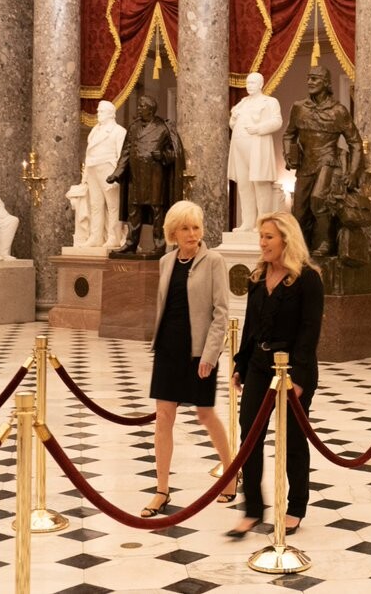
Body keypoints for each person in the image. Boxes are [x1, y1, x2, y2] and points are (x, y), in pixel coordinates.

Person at [226, 211, 324, 538]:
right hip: (258, 365)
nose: (262, 243)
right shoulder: (257, 277)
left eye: (268, 236)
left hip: (292, 368)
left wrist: (299, 377)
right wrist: (240, 364)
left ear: (286, 239)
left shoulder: (307, 279)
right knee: (249, 436)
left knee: (294, 438)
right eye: (261, 236)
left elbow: (310, 332)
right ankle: (253, 509)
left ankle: (295, 508)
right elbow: (251, 328)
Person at [142, 200, 235, 517]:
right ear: (173, 232)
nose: (192, 233)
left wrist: (210, 354)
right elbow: (164, 306)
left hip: (199, 352)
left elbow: (221, 314)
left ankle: (230, 472)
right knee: (163, 418)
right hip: (168, 349)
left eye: (196, 227)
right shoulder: (166, 261)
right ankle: (162, 490)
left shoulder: (214, 261)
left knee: (205, 414)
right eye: (185, 228)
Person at [282, 66, 364, 257]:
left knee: (318, 200)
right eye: (308, 78)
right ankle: (301, 248)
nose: (309, 82)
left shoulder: (338, 111)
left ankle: (326, 242)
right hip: (305, 164)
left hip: (329, 161)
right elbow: (289, 134)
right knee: (299, 210)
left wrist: (353, 173)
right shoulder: (299, 108)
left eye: (315, 79)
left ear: (326, 83)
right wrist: (289, 155)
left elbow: (355, 142)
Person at [107, 94, 185, 258]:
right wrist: (117, 173)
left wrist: (163, 155)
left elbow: (176, 154)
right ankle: (130, 244)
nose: (139, 108)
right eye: (139, 105)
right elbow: (126, 152)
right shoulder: (133, 127)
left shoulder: (163, 128)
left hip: (155, 177)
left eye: (142, 106)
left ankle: (159, 245)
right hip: (136, 177)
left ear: (150, 110)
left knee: (157, 210)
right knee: (134, 211)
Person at [228, 72, 283, 231]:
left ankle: (263, 222)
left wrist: (258, 128)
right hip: (239, 148)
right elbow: (233, 124)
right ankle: (248, 222)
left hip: (257, 147)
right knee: (244, 186)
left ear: (261, 84)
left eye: (252, 83)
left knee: (260, 184)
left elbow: (277, 121)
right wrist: (233, 118)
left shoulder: (270, 102)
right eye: (247, 83)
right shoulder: (242, 103)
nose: (249, 86)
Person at [75, 100, 126, 248]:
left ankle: (114, 237)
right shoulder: (94, 130)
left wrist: (118, 176)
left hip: (108, 169)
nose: (98, 113)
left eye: (101, 111)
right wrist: (85, 175)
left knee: (113, 206)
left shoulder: (118, 131)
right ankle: (95, 237)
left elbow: (121, 156)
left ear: (110, 113)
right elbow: (88, 154)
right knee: (95, 205)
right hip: (93, 168)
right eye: (98, 111)